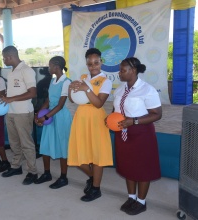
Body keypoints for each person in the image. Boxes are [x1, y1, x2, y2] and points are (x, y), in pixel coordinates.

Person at [112, 57, 162, 215]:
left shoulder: (147, 90)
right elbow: (117, 111)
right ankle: (131, 197)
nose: (119, 73)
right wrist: (110, 119)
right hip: (123, 134)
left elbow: (157, 114)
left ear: (133, 71)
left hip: (141, 134)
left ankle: (141, 201)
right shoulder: (119, 90)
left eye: (122, 70)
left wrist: (134, 121)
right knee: (128, 166)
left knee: (142, 167)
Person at [68, 48, 113, 202]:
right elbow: (73, 99)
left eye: (96, 63)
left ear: (101, 62)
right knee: (78, 155)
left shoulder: (106, 81)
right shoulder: (83, 77)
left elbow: (99, 103)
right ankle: (94, 177)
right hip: (81, 118)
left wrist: (86, 89)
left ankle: (96, 188)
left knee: (96, 156)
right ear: (86, 63)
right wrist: (70, 89)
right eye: (90, 63)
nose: (93, 66)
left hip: (96, 120)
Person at [0, 46, 38, 185]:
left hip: (23, 112)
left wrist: (11, 99)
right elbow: (13, 92)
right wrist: (5, 97)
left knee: (26, 143)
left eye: (4, 58)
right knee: (14, 142)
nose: (3, 60)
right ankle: (16, 167)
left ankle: (32, 172)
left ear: (10, 57)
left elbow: (33, 93)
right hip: (10, 111)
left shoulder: (26, 70)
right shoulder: (11, 72)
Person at [34, 56, 72, 189]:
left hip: (60, 116)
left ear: (56, 67)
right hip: (50, 115)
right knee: (45, 144)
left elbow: (60, 105)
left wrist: (44, 118)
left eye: (50, 66)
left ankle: (63, 177)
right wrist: (38, 114)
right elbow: (49, 101)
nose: (48, 68)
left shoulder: (66, 82)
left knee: (62, 146)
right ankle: (47, 173)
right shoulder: (53, 80)